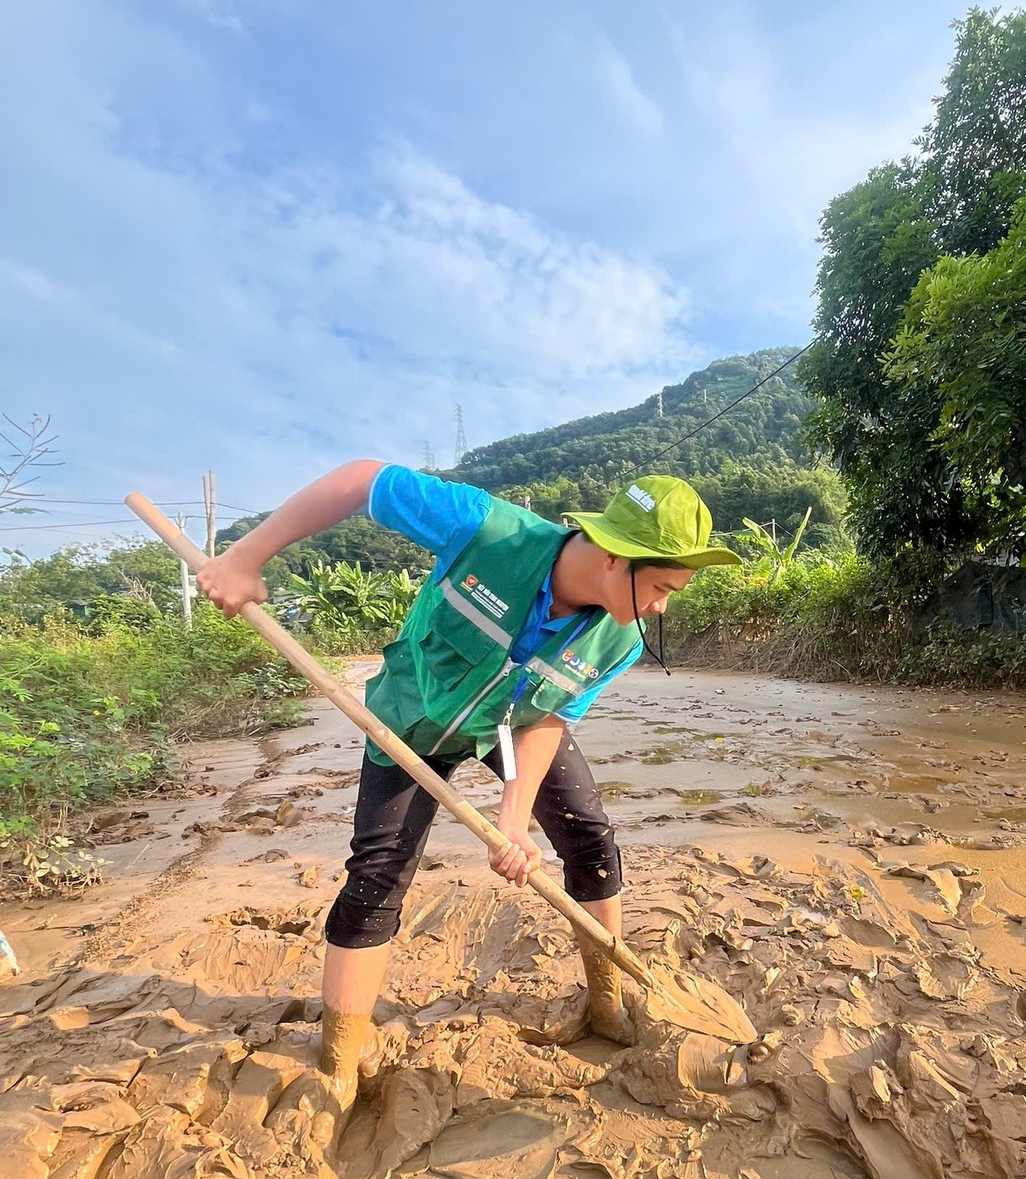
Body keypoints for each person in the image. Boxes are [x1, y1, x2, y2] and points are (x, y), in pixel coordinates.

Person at [197, 462, 739, 1102]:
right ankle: (340, 1057)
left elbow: (547, 718)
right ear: (619, 558)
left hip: (509, 727)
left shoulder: (617, 640)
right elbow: (359, 482)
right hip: (410, 718)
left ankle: (605, 1000)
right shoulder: (490, 531)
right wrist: (245, 555)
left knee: (590, 837)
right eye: (663, 587)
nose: (661, 606)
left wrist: (511, 820)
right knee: (377, 872)